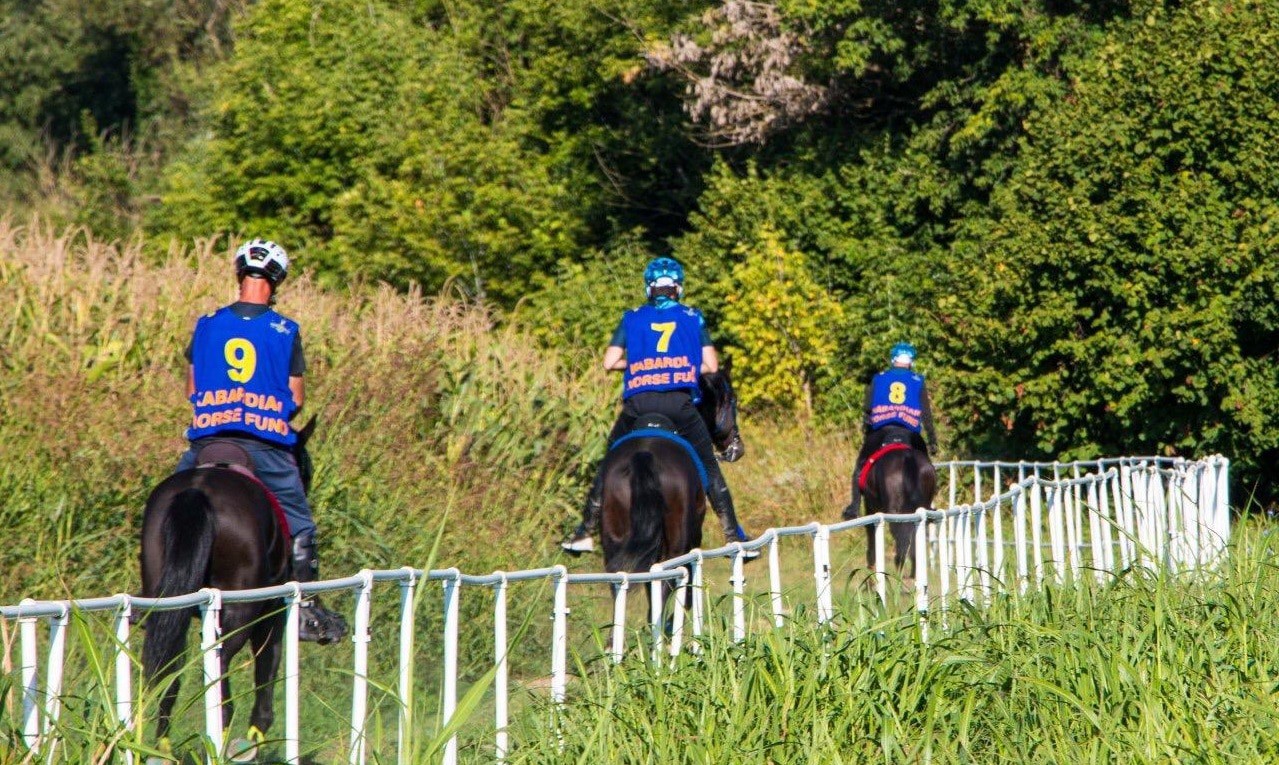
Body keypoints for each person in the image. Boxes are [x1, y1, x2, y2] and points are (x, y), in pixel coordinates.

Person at [175, 238, 346, 642]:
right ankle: (307, 612)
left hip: (206, 441)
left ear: (239, 275)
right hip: (263, 446)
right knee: (301, 525)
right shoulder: (285, 330)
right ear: (278, 280)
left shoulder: (207, 324)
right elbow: (297, 399)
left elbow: (191, 388)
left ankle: (155, 598)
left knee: (171, 505)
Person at [562, 256, 756, 558]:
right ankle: (735, 536)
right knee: (707, 465)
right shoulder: (693, 317)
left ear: (649, 288)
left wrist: (639, 364)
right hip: (678, 404)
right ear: (678, 288)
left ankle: (583, 531)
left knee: (608, 462)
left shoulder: (631, 317)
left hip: (638, 405)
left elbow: (609, 362)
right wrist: (682, 366)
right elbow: (712, 365)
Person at [842, 342, 938, 521]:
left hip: (882, 430)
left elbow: (867, 409)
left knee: (861, 465)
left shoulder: (878, 378)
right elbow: (926, 414)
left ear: (893, 359)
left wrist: (867, 430)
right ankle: (929, 502)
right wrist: (932, 440)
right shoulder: (918, 380)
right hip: (909, 431)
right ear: (911, 361)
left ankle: (854, 506)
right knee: (926, 463)